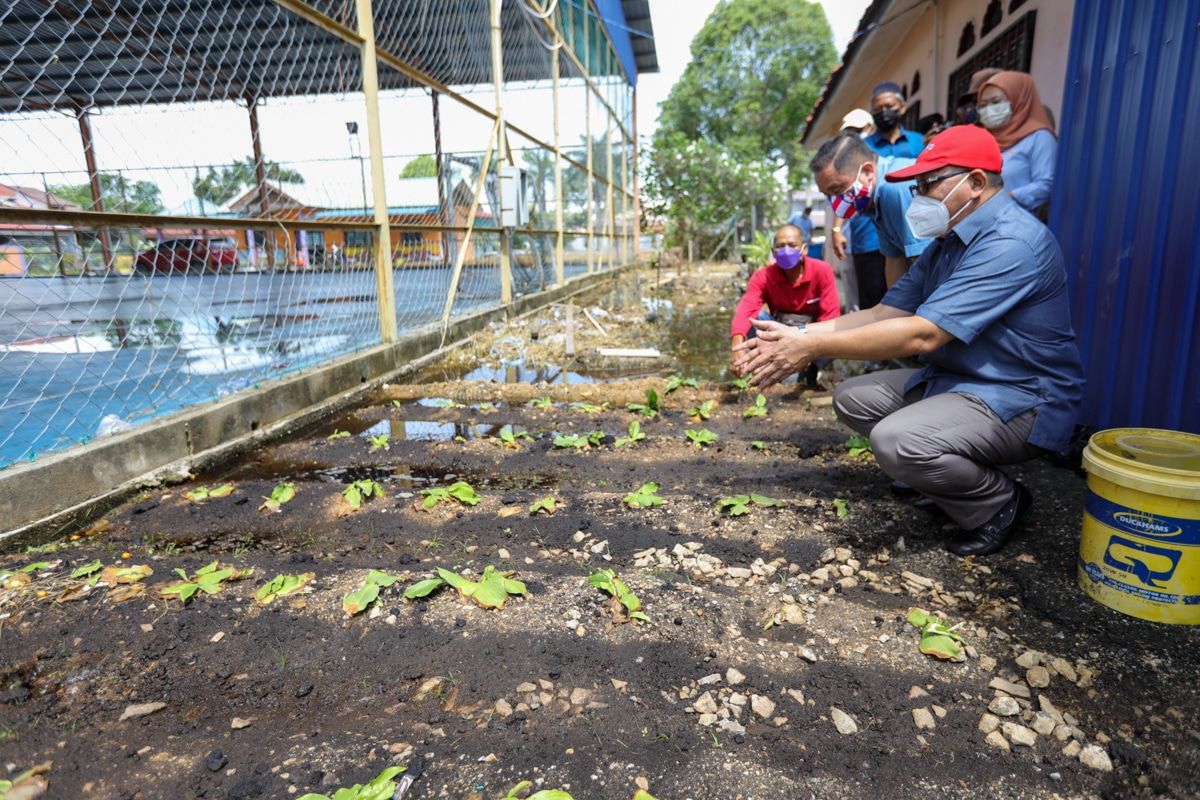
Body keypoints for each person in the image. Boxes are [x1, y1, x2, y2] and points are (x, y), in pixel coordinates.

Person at [732, 125, 1084, 557]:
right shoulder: (948, 241)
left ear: (975, 183)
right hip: (966, 381)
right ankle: (945, 480)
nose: (919, 196)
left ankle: (998, 502)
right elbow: (884, 312)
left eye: (929, 183)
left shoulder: (1011, 243)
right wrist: (797, 334)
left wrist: (813, 347)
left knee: (896, 440)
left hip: (1021, 397)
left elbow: (924, 332)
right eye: (916, 185)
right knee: (854, 398)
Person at [830, 84, 925, 309]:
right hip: (869, 232)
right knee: (873, 298)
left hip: (913, 230)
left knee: (917, 290)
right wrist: (836, 229)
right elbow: (844, 189)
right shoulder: (861, 147)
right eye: (877, 108)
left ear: (902, 107)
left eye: (889, 106)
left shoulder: (918, 142)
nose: (884, 111)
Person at [813, 132, 931, 290]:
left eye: (836, 189)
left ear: (867, 171)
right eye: (827, 195)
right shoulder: (873, 202)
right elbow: (895, 261)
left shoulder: (893, 188)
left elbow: (926, 266)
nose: (834, 201)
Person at [730, 223, 839, 389]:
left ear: (804, 249)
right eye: (780, 246)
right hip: (780, 332)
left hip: (814, 334)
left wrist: (807, 350)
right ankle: (767, 365)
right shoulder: (764, 276)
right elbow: (747, 307)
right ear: (774, 252)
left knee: (836, 336)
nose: (786, 250)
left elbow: (830, 316)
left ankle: (814, 368)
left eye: (792, 245)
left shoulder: (821, 271)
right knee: (756, 319)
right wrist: (737, 345)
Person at [976, 71, 1057, 216]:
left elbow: (1047, 184)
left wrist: (1007, 198)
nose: (988, 110)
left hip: (1018, 223)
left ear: (1019, 100)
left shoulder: (1039, 138)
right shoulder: (984, 139)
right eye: (983, 105)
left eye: (996, 102)